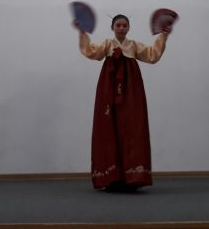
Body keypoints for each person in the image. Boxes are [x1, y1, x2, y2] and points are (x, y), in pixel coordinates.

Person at [73, 14, 171, 191]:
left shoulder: (133, 46)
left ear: (129, 28)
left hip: (131, 89)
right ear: (112, 28)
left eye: (124, 25)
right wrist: (82, 32)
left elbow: (152, 55)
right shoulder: (107, 45)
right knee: (108, 128)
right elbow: (91, 52)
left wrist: (163, 35)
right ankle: (111, 177)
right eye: (118, 25)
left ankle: (131, 177)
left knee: (131, 128)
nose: (121, 28)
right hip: (108, 88)